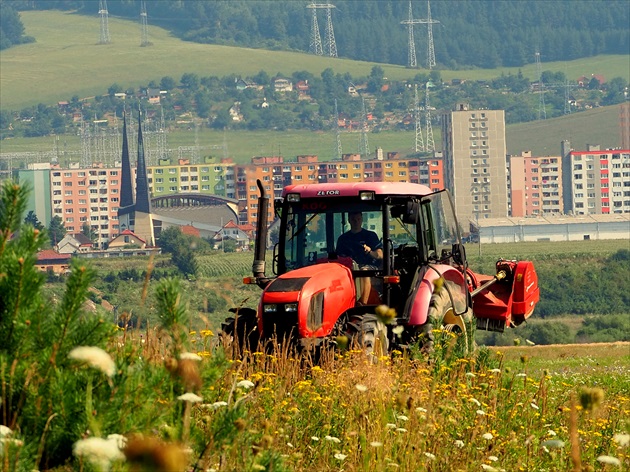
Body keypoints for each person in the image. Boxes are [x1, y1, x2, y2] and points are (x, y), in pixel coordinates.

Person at [336, 211, 383, 305]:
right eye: (353, 219)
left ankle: (362, 304)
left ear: (362, 220)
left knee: (364, 271)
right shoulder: (343, 239)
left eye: (358, 219)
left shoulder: (370, 235)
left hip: (369, 267)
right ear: (349, 220)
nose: (356, 222)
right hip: (349, 267)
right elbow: (338, 257)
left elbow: (380, 255)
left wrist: (370, 251)